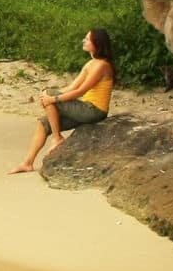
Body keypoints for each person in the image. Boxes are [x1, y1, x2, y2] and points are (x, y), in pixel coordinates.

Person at [9, 28, 115, 173]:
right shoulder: (91, 64)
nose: (83, 41)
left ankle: (57, 138)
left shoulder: (102, 66)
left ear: (97, 43)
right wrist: (46, 96)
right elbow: (72, 87)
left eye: (87, 39)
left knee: (50, 96)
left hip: (94, 111)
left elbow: (80, 91)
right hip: (84, 110)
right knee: (43, 123)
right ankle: (28, 163)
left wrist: (53, 98)